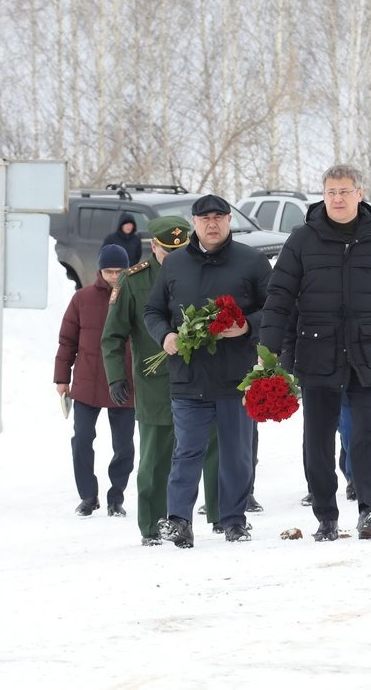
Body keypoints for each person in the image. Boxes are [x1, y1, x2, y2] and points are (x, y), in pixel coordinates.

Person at [260, 165, 371, 541]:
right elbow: (279, 297)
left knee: (366, 434)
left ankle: (368, 510)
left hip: (369, 349)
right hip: (317, 350)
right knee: (318, 439)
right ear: (323, 195)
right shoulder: (301, 239)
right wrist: (269, 351)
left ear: (360, 194)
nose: (338, 199)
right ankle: (326, 515)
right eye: (331, 192)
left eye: (345, 191)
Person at [143, 195, 271, 547]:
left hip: (237, 377)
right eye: (204, 218)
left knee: (236, 454)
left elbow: (276, 310)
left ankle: (233, 520)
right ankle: (179, 520)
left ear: (229, 220)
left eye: (219, 217)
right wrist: (165, 335)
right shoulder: (175, 264)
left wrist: (246, 326)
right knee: (187, 452)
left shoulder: (252, 261)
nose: (212, 224)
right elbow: (152, 311)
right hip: (188, 376)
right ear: (194, 223)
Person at [102, 216, 207, 546]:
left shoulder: (200, 271)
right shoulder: (133, 281)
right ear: (153, 247)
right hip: (154, 383)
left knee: (192, 455)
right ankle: (151, 525)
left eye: (181, 250)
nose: (174, 258)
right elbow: (112, 336)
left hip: (197, 378)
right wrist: (116, 377)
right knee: (155, 459)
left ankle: (183, 520)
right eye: (167, 251)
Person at [54, 243, 136, 517]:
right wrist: (62, 378)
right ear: (100, 270)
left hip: (123, 383)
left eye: (119, 271)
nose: (114, 276)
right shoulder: (82, 299)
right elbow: (67, 341)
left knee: (124, 445)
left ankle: (117, 497)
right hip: (87, 382)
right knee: (82, 439)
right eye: (109, 271)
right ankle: (88, 496)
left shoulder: (135, 297)